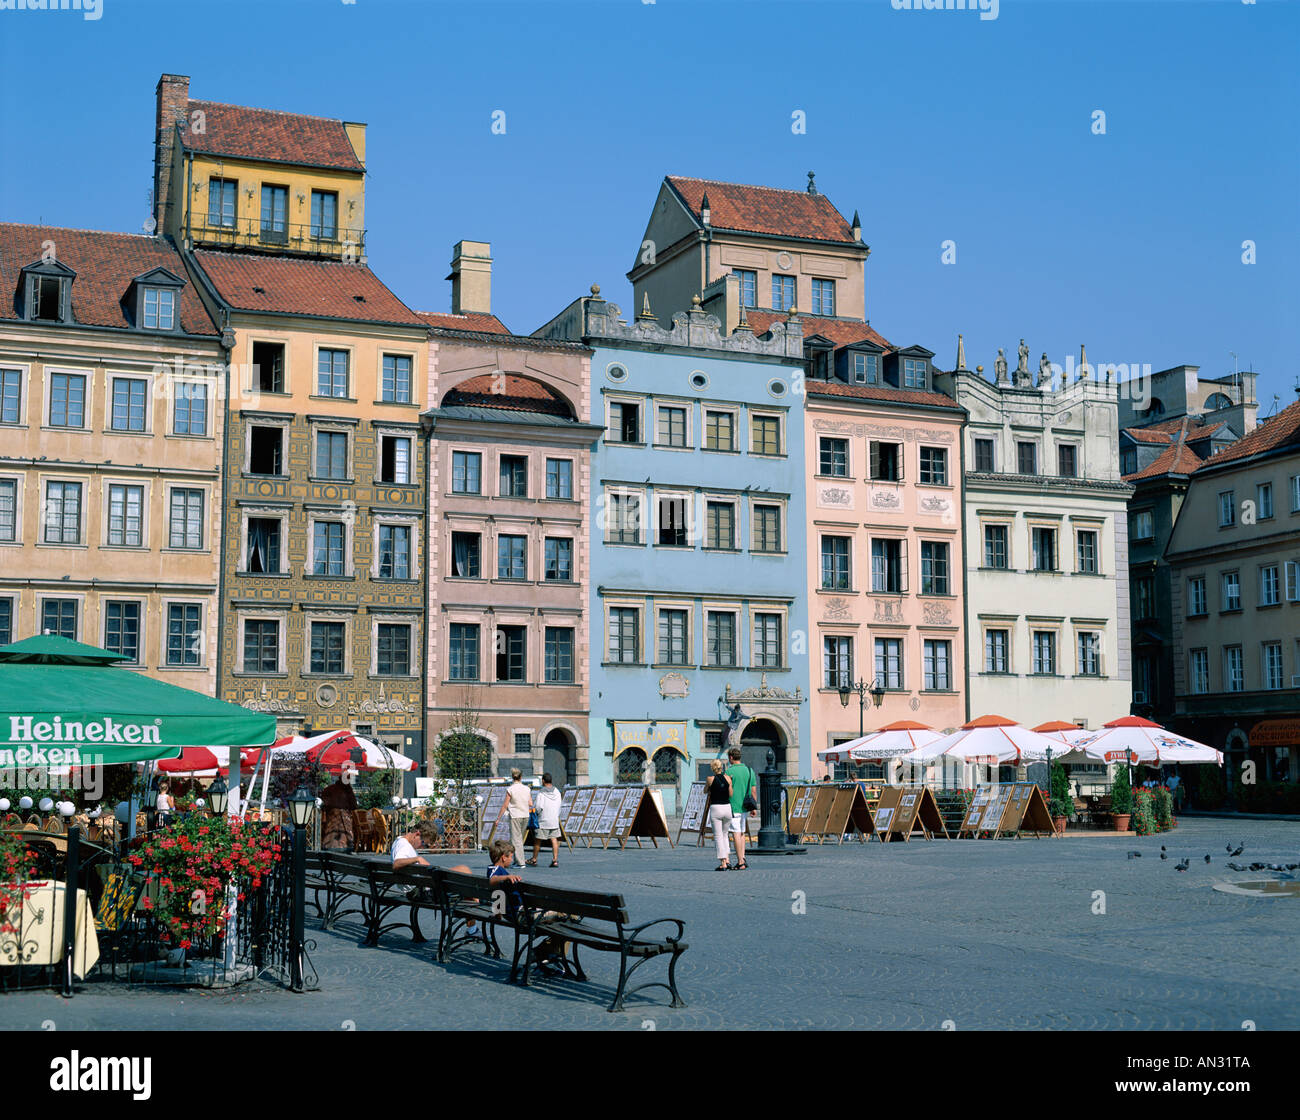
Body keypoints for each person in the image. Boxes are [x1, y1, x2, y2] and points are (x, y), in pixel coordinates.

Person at [724, 747, 757, 871]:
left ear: (731, 758)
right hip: (745, 806)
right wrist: (754, 807)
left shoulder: (729, 772)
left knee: (736, 833)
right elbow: (753, 790)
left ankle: (740, 861)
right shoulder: (749, 770)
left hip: (733, 806)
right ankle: (742, 857)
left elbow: (726, 789)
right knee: (742, 833)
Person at [530, 772, 563, 867]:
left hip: (543, 820)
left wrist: (537, 813)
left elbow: (538, 806)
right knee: (554, 839)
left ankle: (534, 859)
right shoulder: (557, 791)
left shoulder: (542, 792)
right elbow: (559, 805)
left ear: (543, 781)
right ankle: (555, 860)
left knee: (538, 840)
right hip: (554, 819)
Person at [705, 759, 733, 870]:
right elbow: (731, 794)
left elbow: (705, 790)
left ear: (712, 768)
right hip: (727, 807)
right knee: (725, 834)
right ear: (722, 767)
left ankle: (723, 863)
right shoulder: (728, 778)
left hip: (716, 808)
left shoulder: (710, 779)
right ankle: (728, 859)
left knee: (718, 836)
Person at [319, 776, 358, 851]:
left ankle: (333, 847)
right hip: (338, 818)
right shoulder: (347, 790)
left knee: (333, 835)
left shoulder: (331, 789)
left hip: (334, 818)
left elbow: (324, 803)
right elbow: (354, 805)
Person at [505, 769, 533, 868]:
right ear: (521, 777)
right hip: (525, 815)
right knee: (519, 839)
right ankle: (517, 860)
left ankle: (521, 862)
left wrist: (498, 818)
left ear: (512, 777)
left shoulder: (510, 789)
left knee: (516, 840)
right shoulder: (527, 789)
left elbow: (505, 804)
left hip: (515, 815)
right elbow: (530, 803)